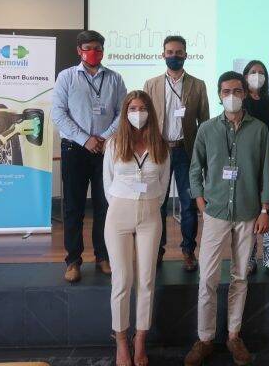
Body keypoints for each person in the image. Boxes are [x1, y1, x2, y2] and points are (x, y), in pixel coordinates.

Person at [184, 71, 269, 366]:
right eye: (226, 91)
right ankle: (205, 338)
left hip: (248, 212)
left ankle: (234, 335)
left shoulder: (259, 129)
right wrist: (199, 199)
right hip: (216, 212)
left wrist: (265, 209)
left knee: (240, 276)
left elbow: (266, 171)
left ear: (244, 93)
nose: (231, 96)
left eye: (237, 90)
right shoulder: (207, 129)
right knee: (207, 277)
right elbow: (195, 168)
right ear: (219, 95)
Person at [52, 30, 127, 282]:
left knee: (104, 206)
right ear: (79, 51)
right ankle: (73, 260)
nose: (93, 52)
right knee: (73, 207)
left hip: (106, 149)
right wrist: (86, 139)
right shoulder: (66, 77)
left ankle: (103, 256)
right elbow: (58, 113)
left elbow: (123, 112)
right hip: (74, 149)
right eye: (88, 48)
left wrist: (103, 138)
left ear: (103, 51)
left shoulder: (115, 78)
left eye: (97, 48)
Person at [103, 91, 170, 366]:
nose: (138, 113)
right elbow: (107, 182)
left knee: (146, 280)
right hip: (119, 214)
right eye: (132, 108)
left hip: (150, 215)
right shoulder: (114, 143)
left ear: (150, 112)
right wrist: (125, 203)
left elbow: (163, 184)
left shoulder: (161, 145)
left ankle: (140, 337)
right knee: (122, 279)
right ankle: (121, 340)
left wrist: (148, 203)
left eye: (143, 108)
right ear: (125, 112)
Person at [143, 35, 209, 272]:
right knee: (157, 203)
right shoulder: (151, 84)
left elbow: (205, 123)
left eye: (179, 52)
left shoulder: (198, 85)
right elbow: (145, 120)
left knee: (188, 203)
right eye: (170, 52)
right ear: (163, 55)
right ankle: (157, 250)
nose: (174, 56)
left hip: (186, 151)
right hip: (159, 151)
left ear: (186, 55)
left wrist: (203, 155)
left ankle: (188, 251)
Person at [242, 60, 269, 276]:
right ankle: (248, 259)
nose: (257, 75)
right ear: (245, 75)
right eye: (253, 72)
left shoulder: (268, 101)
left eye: (261, 72)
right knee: (248, 211)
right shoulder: (241, 100)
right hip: (247, 160)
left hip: (268, 158)